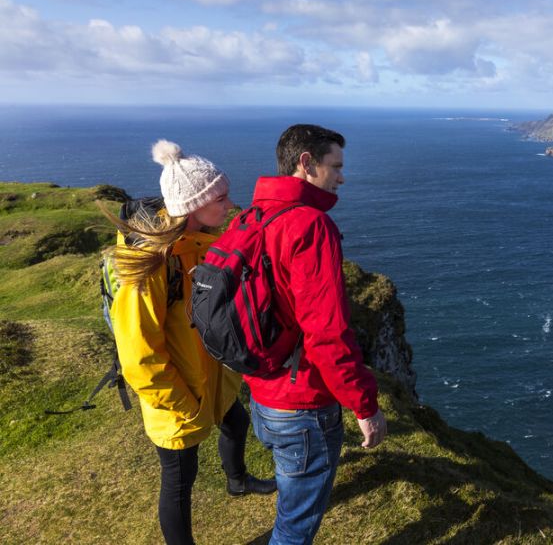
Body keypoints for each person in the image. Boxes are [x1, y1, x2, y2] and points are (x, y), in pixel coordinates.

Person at [103, 139, 276, 545]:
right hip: (179, 391)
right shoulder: (152, 265)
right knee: (180, 479)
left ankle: (236, 481)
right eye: (220, 197)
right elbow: (138, 351)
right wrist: (180, 400)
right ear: (192, 205)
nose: (230, 204)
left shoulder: (199, 243)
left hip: (211, 376)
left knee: (236, 421)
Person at [245, 124, 387, 544]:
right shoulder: (310, 225)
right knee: (295, 528)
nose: (341, 177)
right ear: (306, 163)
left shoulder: (254, 214)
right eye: (335, 166)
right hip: (301, 402)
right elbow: (327, 333)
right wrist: (365, 407)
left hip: (262, 392)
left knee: (291, 501)